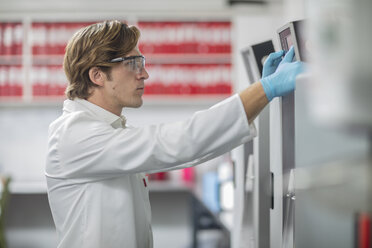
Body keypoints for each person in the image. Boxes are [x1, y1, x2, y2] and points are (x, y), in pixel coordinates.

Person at [45, 20, 303, 248]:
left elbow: (187, 146)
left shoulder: (109, 130)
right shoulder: (74, 136)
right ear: (97, 75)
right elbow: (178, 142)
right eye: (133, 63)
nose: (144, 74)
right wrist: (264, 90)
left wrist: (261, 96)